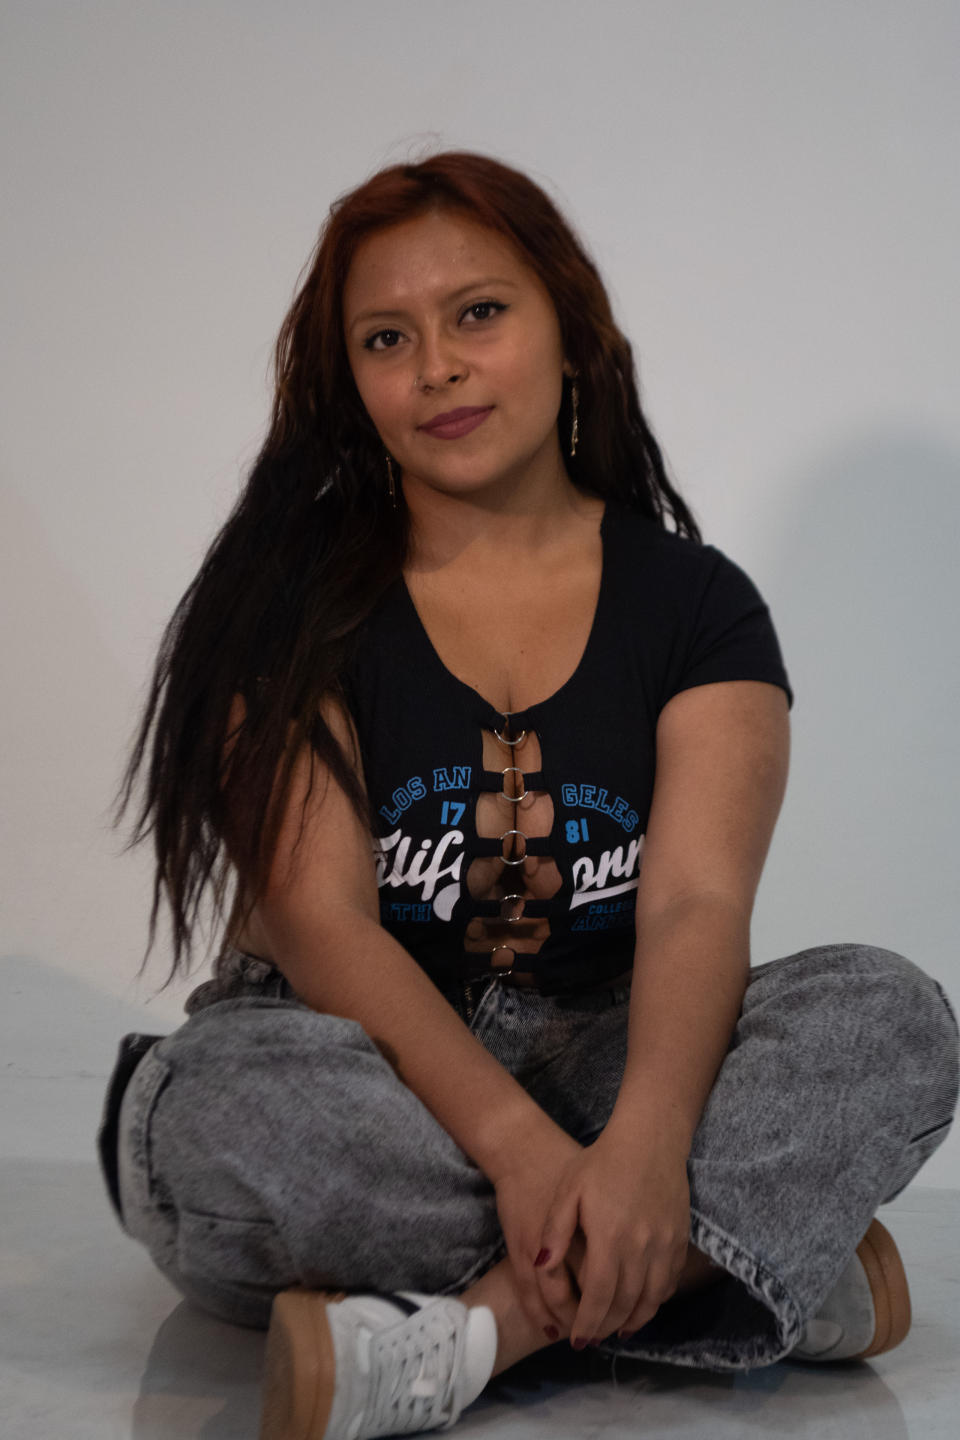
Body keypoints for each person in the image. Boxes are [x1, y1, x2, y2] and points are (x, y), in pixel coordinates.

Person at [99, 151, 958, 1440]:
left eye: (479, 313)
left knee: (888, 1014)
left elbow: (696, 906)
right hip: (357, 1067)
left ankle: (483, 1328)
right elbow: (321, 924)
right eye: (387, 338)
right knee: (218, 1109)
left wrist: (647, 1149)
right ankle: (724, 1267)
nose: (437, 366)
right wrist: (521, 1150)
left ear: (568, 326)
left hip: (610, 1059)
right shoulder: (288, 603)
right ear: (351, 382)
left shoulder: (698, 604)